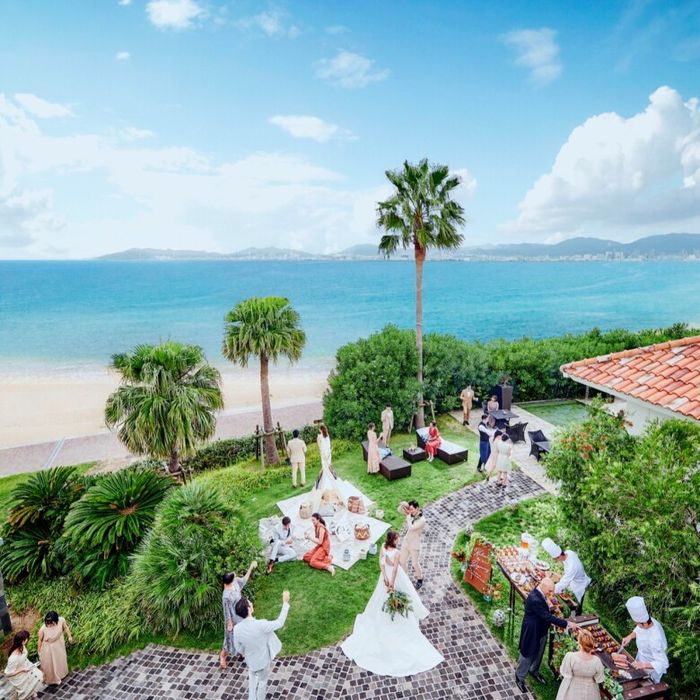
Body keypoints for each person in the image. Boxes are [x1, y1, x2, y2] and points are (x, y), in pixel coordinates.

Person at [340, 530, 443, 676]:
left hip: (385, 576)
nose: (398, 541)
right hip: (394, 577)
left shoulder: (383, 546)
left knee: (382, 598)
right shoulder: (397, 552)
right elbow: (395, 569)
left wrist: (384, 578)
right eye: (397, 539)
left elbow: (381, 563)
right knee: (403, 594)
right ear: (393, 540)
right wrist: (392, 584)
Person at [515, 577, 579, 693]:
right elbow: (547, 617)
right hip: (532, 631)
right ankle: (519, 676)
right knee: (527, 653)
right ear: (543, 586)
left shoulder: (541, 593)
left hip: (542, 629)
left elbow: (545, 612)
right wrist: (567, 624)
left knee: (539, 652)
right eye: (549, 591)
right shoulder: (534, 599)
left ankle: (534, 670)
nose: (551, 593)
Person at [234, 590, 290, 700]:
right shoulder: (261, 625)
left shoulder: (237, 629)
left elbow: (238, 647)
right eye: (250, 603)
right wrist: (285, 603)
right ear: (249, 609)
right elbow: (279, 622)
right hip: (263, 662)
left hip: (250, 661)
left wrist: (246, 652)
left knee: (252, 681)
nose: (251, 603)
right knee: (262, 682)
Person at [220, 560, 258, 669]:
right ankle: (222, 655)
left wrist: (250, 567)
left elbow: (244, 580)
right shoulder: (226, 596)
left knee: (244, 634)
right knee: (230, 638)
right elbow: (226, 610)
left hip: (242, 614)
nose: (235, 575)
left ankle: (242, 652)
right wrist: (229, 623)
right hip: (233, 618)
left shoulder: (236, 582)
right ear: (228, 582)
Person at [621, 596, 669, 683]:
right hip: (641, 659)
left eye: (637, 623)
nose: (636, 625)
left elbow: (663, 663)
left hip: (651, 670)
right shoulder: (648, 621)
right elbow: (639, 630)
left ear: (643, 623)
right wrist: (629, 637)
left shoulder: (655, 639)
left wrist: (643, 665)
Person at [541, 538, 592, 615]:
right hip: (574, 581)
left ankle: (578, 614)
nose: (557, 561)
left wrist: (550, 590)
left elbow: (564, 583)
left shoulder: (572, 567)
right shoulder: (568, 552)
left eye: (556, 559)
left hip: (579, 586)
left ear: (559, 557)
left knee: (577, 605)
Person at [555, 629, 605, 700]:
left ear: (579, 643)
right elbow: (599, 678)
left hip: (571, 689)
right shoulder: (596, 661)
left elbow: (565, 672)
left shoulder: (570, 657)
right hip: (590, 691)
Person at [4, 630, 43, 699]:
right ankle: (31, 695)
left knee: (38, 676)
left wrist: (29, 665)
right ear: (23, 641)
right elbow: (8, 674)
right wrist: (22, 669)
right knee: (26, 690)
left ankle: (33, 694)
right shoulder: (13, 658)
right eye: (27, 638)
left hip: (27, 667)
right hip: (19, 675)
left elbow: (24, 657)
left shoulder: (22, 646)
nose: (28, 640)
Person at [37, 610, 73, 686]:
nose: (49, 624)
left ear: (56, 620)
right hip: (48, 648)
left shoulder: (61, 620)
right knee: (51, 664)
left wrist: (69, 636)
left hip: (59, 643)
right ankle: (52, 679)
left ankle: (62, 674)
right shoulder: (43, 628)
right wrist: (39, 651)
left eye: (51, 622)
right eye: (47, 622)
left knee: (60, 659)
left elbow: (66, 627)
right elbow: (40, 640)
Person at [398, 500, 426, 590]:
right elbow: (400, 510)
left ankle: (420, 578)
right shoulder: (411, 514)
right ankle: (405, 577)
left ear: (417, 508)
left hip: (415, 544)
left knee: (414, 563)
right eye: (410, 509)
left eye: (412, 509)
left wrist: (408, 517)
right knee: (402, 561)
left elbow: (411, 528)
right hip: (406, 542)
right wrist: (403, 505)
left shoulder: (422, 520)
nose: (411, 511)